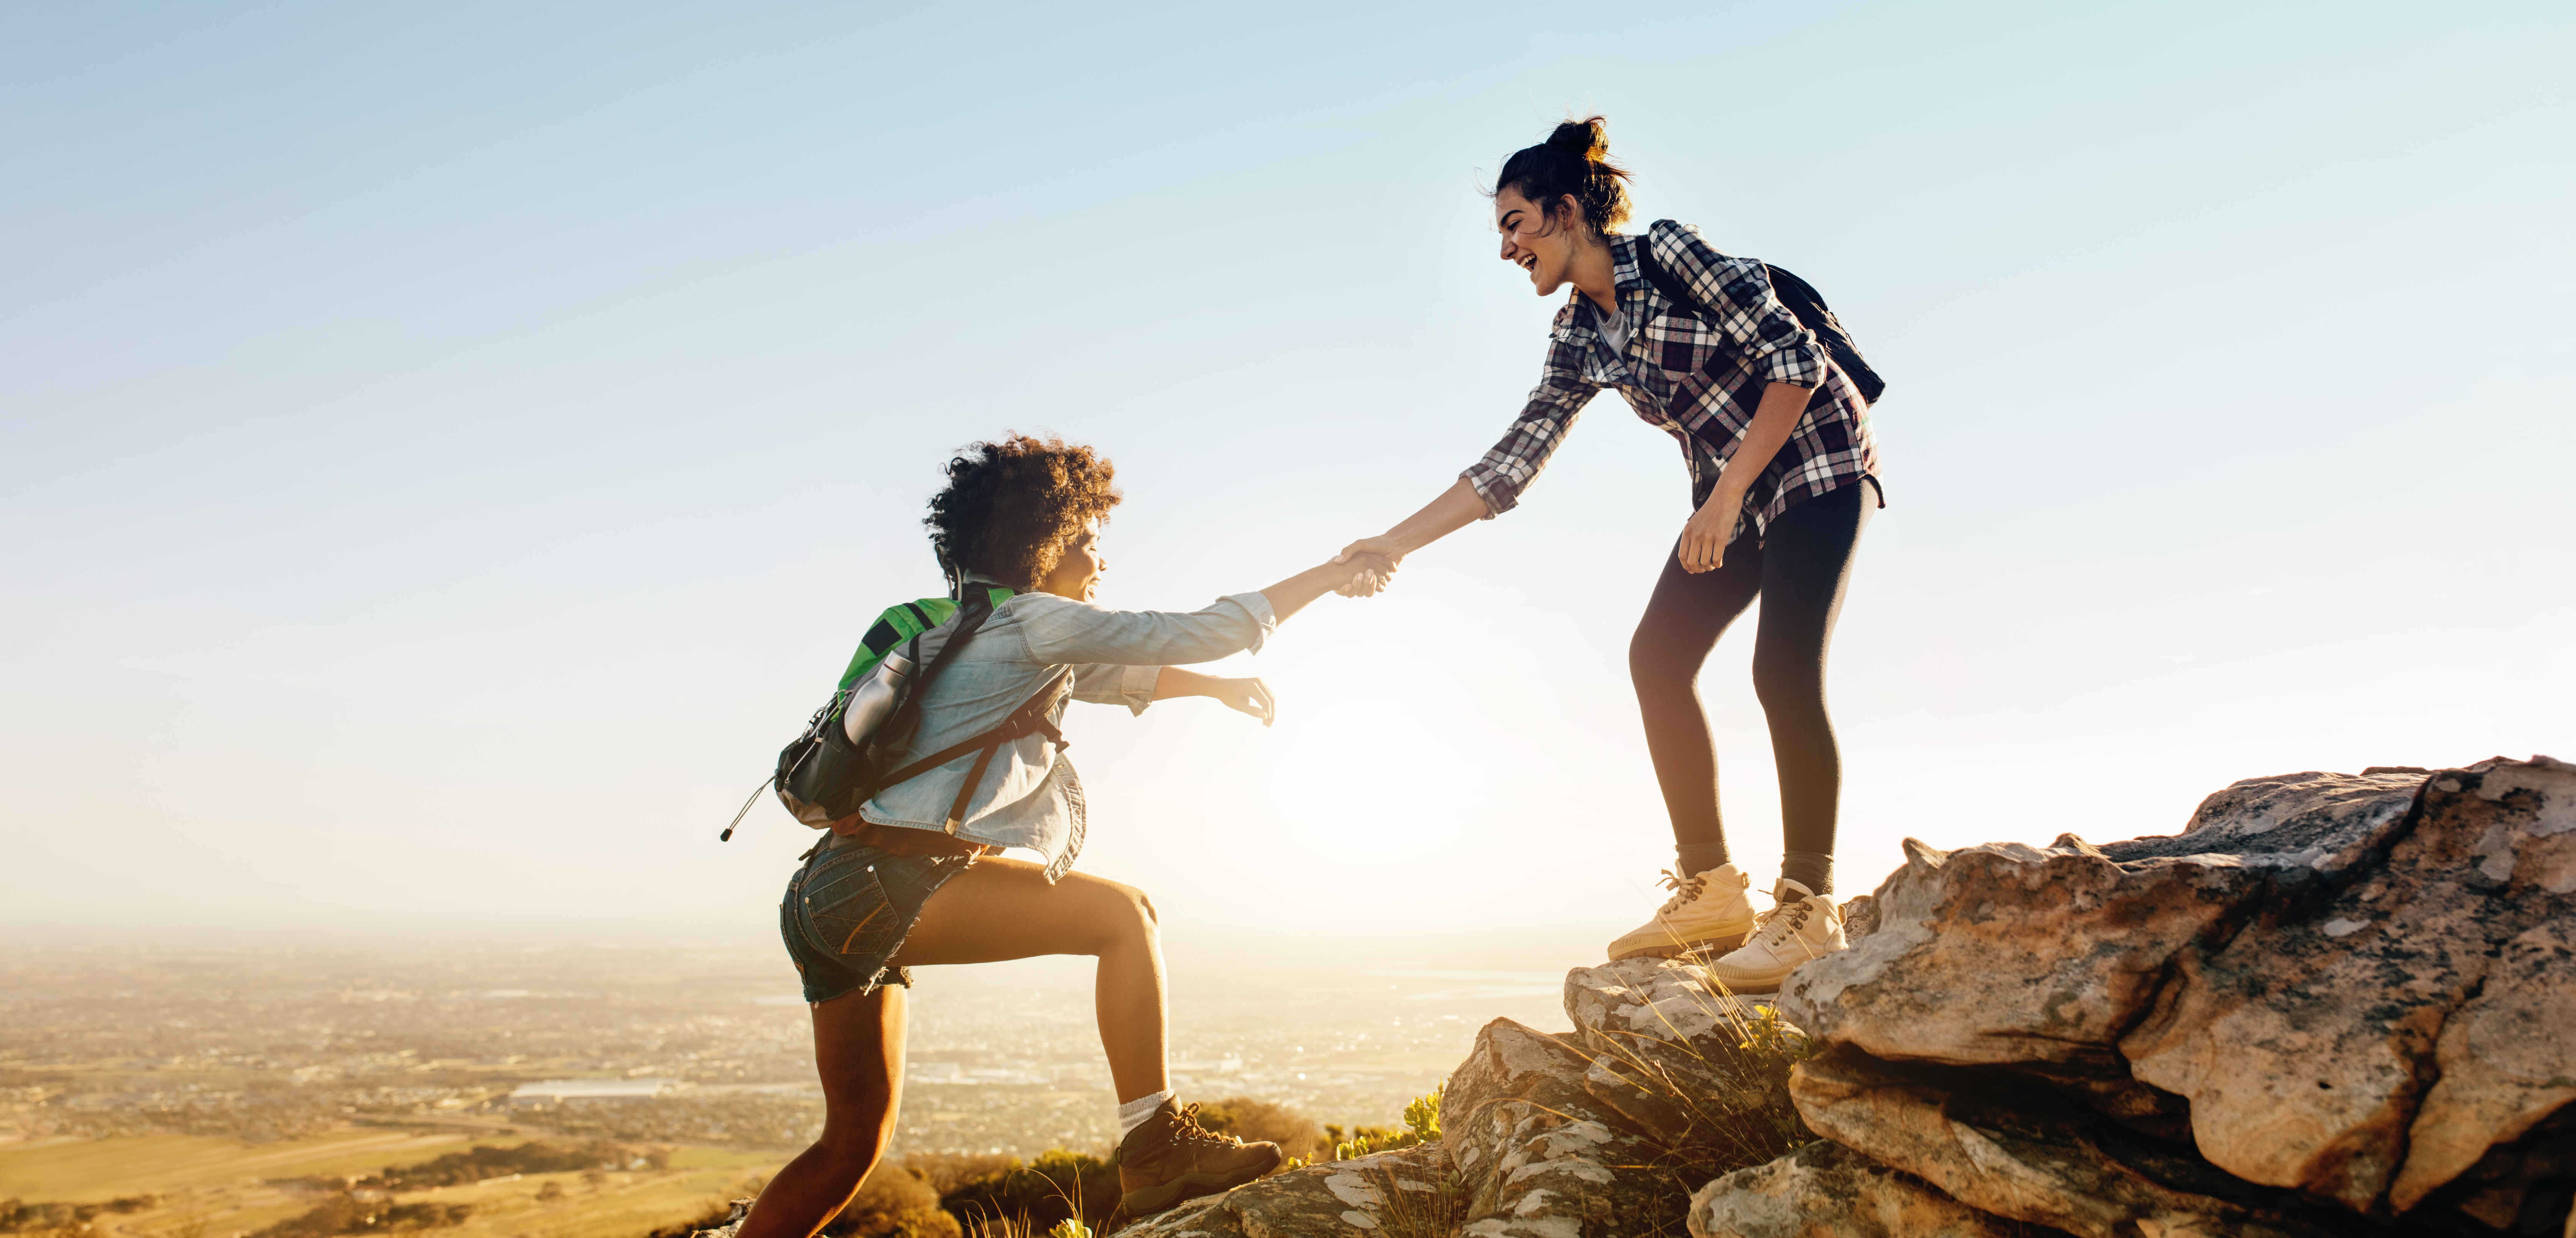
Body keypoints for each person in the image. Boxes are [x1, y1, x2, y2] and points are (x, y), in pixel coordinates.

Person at [739, 434, 1388, 1237]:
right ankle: (1155, 1144)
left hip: (823, 896)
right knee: (1125, 916)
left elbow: (1119, 675)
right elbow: (1200, 629)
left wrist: (1215, 690)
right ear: (1040, 546)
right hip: (890, 886)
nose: (1098, 559)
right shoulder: (1034, 624)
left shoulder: (956, 626)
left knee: (849, 1146)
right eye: (1086, 540)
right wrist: (1329, 574)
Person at [1333, 117, 1882, 993]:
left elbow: (1795, 360)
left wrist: (1730, 490)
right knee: (1656, 657)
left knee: (1781, 669)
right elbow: (1510, 464)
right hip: (1728, 499)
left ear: (1563, 212)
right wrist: (1391, 543)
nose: (1506, 248)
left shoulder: (1670, 253)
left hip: (1815, 464)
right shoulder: (1578, 337)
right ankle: (1710, 888)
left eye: (1513, 224)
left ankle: (1809, 905)